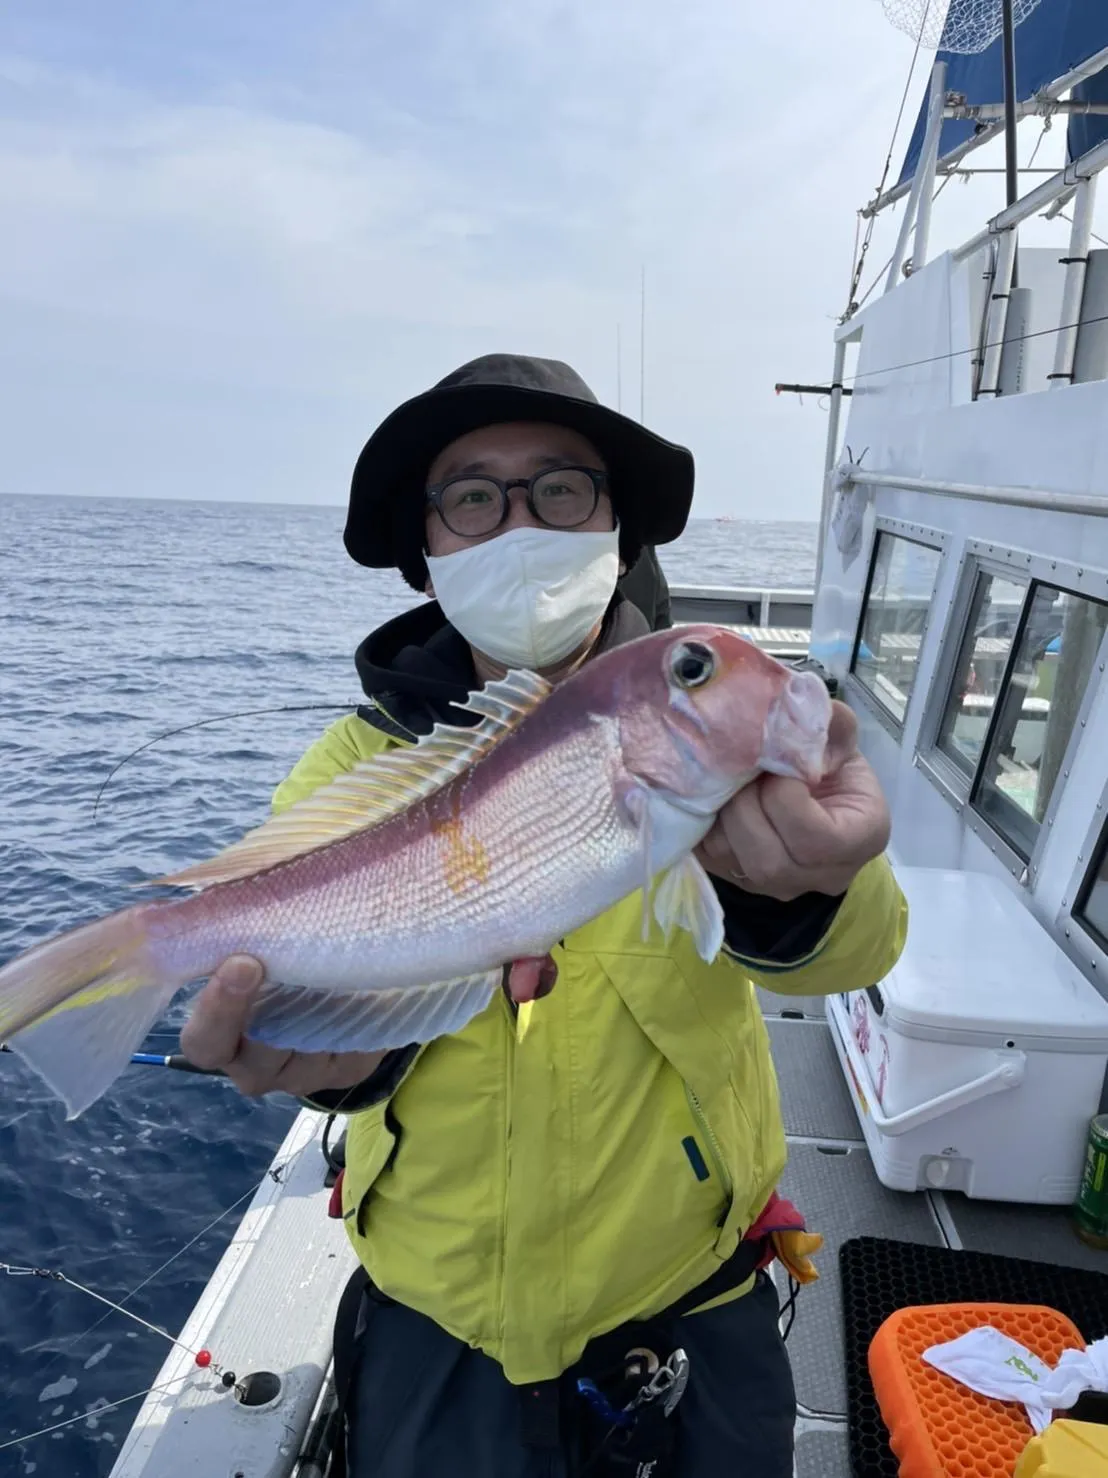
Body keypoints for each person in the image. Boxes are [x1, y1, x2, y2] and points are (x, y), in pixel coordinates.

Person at [182, 354, 905, 1477]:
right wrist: (324, 1054)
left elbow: (867, 949)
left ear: (618, 526)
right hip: (438, 1313)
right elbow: (315, 1002)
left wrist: (806, 880)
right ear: (427, 549)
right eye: (472, 495)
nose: (519, 522)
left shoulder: (703, 723)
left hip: (690, 1299)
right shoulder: (355, 761)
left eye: (561, 488)